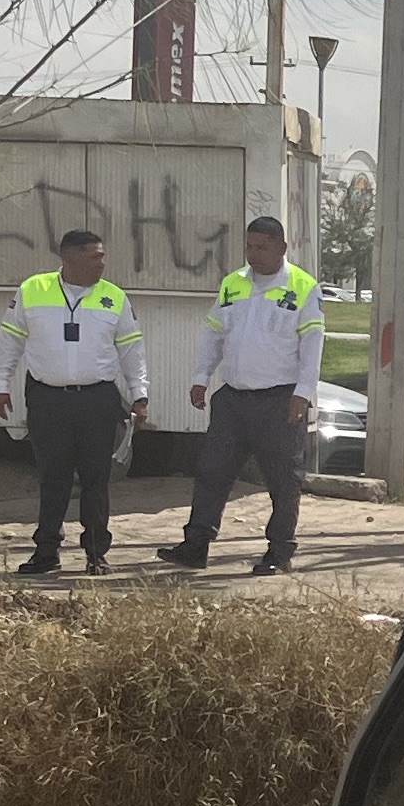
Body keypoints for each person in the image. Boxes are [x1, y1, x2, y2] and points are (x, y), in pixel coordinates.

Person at [163, 214, 325, 575]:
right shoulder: (233, 283)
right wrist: (201, 376)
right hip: (233, 399)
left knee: (282, 481)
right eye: (250, 246)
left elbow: (312, 343)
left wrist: (303, 392)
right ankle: (195, 545)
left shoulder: (303, 287)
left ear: (282, 248)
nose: (254, 254)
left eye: (262, 247)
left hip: (280, 401)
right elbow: (213, 332)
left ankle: (279, 552)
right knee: (211, 472)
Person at [0, 227, 147, 577]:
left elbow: (132, 349)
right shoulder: (32, 290)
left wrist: (140, 394)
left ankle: (96, 553)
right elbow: (9, 342)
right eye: (94, 257)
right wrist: (1, 385)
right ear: (69, 258)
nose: (102, 263)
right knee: (53, 478)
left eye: (102, 256)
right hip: (48, 400)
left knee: (96, 479)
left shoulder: (114, 297)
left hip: (97, 400)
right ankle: (46, 552)